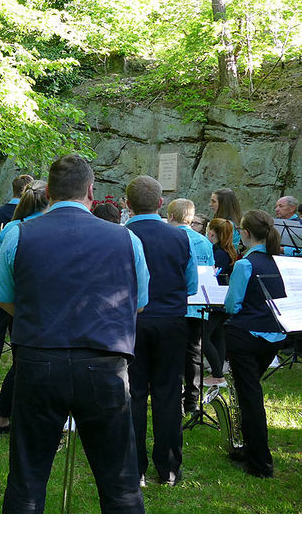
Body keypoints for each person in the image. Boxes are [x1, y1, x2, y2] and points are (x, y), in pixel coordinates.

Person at [0, 154, 148, 513]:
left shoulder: (19, 234)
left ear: (49, 192)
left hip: (39, 360)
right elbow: (138, 304)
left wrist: (40, 315)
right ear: (91, 191)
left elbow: (2, 297)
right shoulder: (126, 238)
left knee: (27, 479)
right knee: (120, 482)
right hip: (105, 365)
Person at [125, 176, 198, 486]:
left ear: (127, 204)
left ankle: (135, 467)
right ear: (160, 204)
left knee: (134, 394)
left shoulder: (120, 235)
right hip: (171, 321)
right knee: (168, 394)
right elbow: (192, 285)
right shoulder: (181, 237)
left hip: (132, 322)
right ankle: (168, 468)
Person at [223, 210, 287, 478]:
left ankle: (260, 462)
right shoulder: (280, 261)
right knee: (250, 392)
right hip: (274, 336)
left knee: (250, 397)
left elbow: (231, 304)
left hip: (246, 336)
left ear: (246, 234)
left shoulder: (245, 265)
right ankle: (247, 447)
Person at [0, 180, 48, 432]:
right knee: (22, 361)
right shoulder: (33, 228)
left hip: (13, 300)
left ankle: (3, 416)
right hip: (29, 304)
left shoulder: (11, 227)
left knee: (20, 359)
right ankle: (3, 418)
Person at [166, 198, 215, 417]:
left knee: (172, 354)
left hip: (175, 305)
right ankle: (192, 402)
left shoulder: (169, 238)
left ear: (171, 216)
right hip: (197, 305)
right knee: (194, 353)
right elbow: (210, 271)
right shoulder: (203, 241)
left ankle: (174, 399)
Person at [204, 218, 238, 386]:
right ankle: (219, 371)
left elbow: (213, 274)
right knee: (217, 336)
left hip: (216, 300)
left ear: (211, 233)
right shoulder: (229, 251)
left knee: (203, 337)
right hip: (224, 299)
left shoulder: (217, 253)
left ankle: (218, 375)